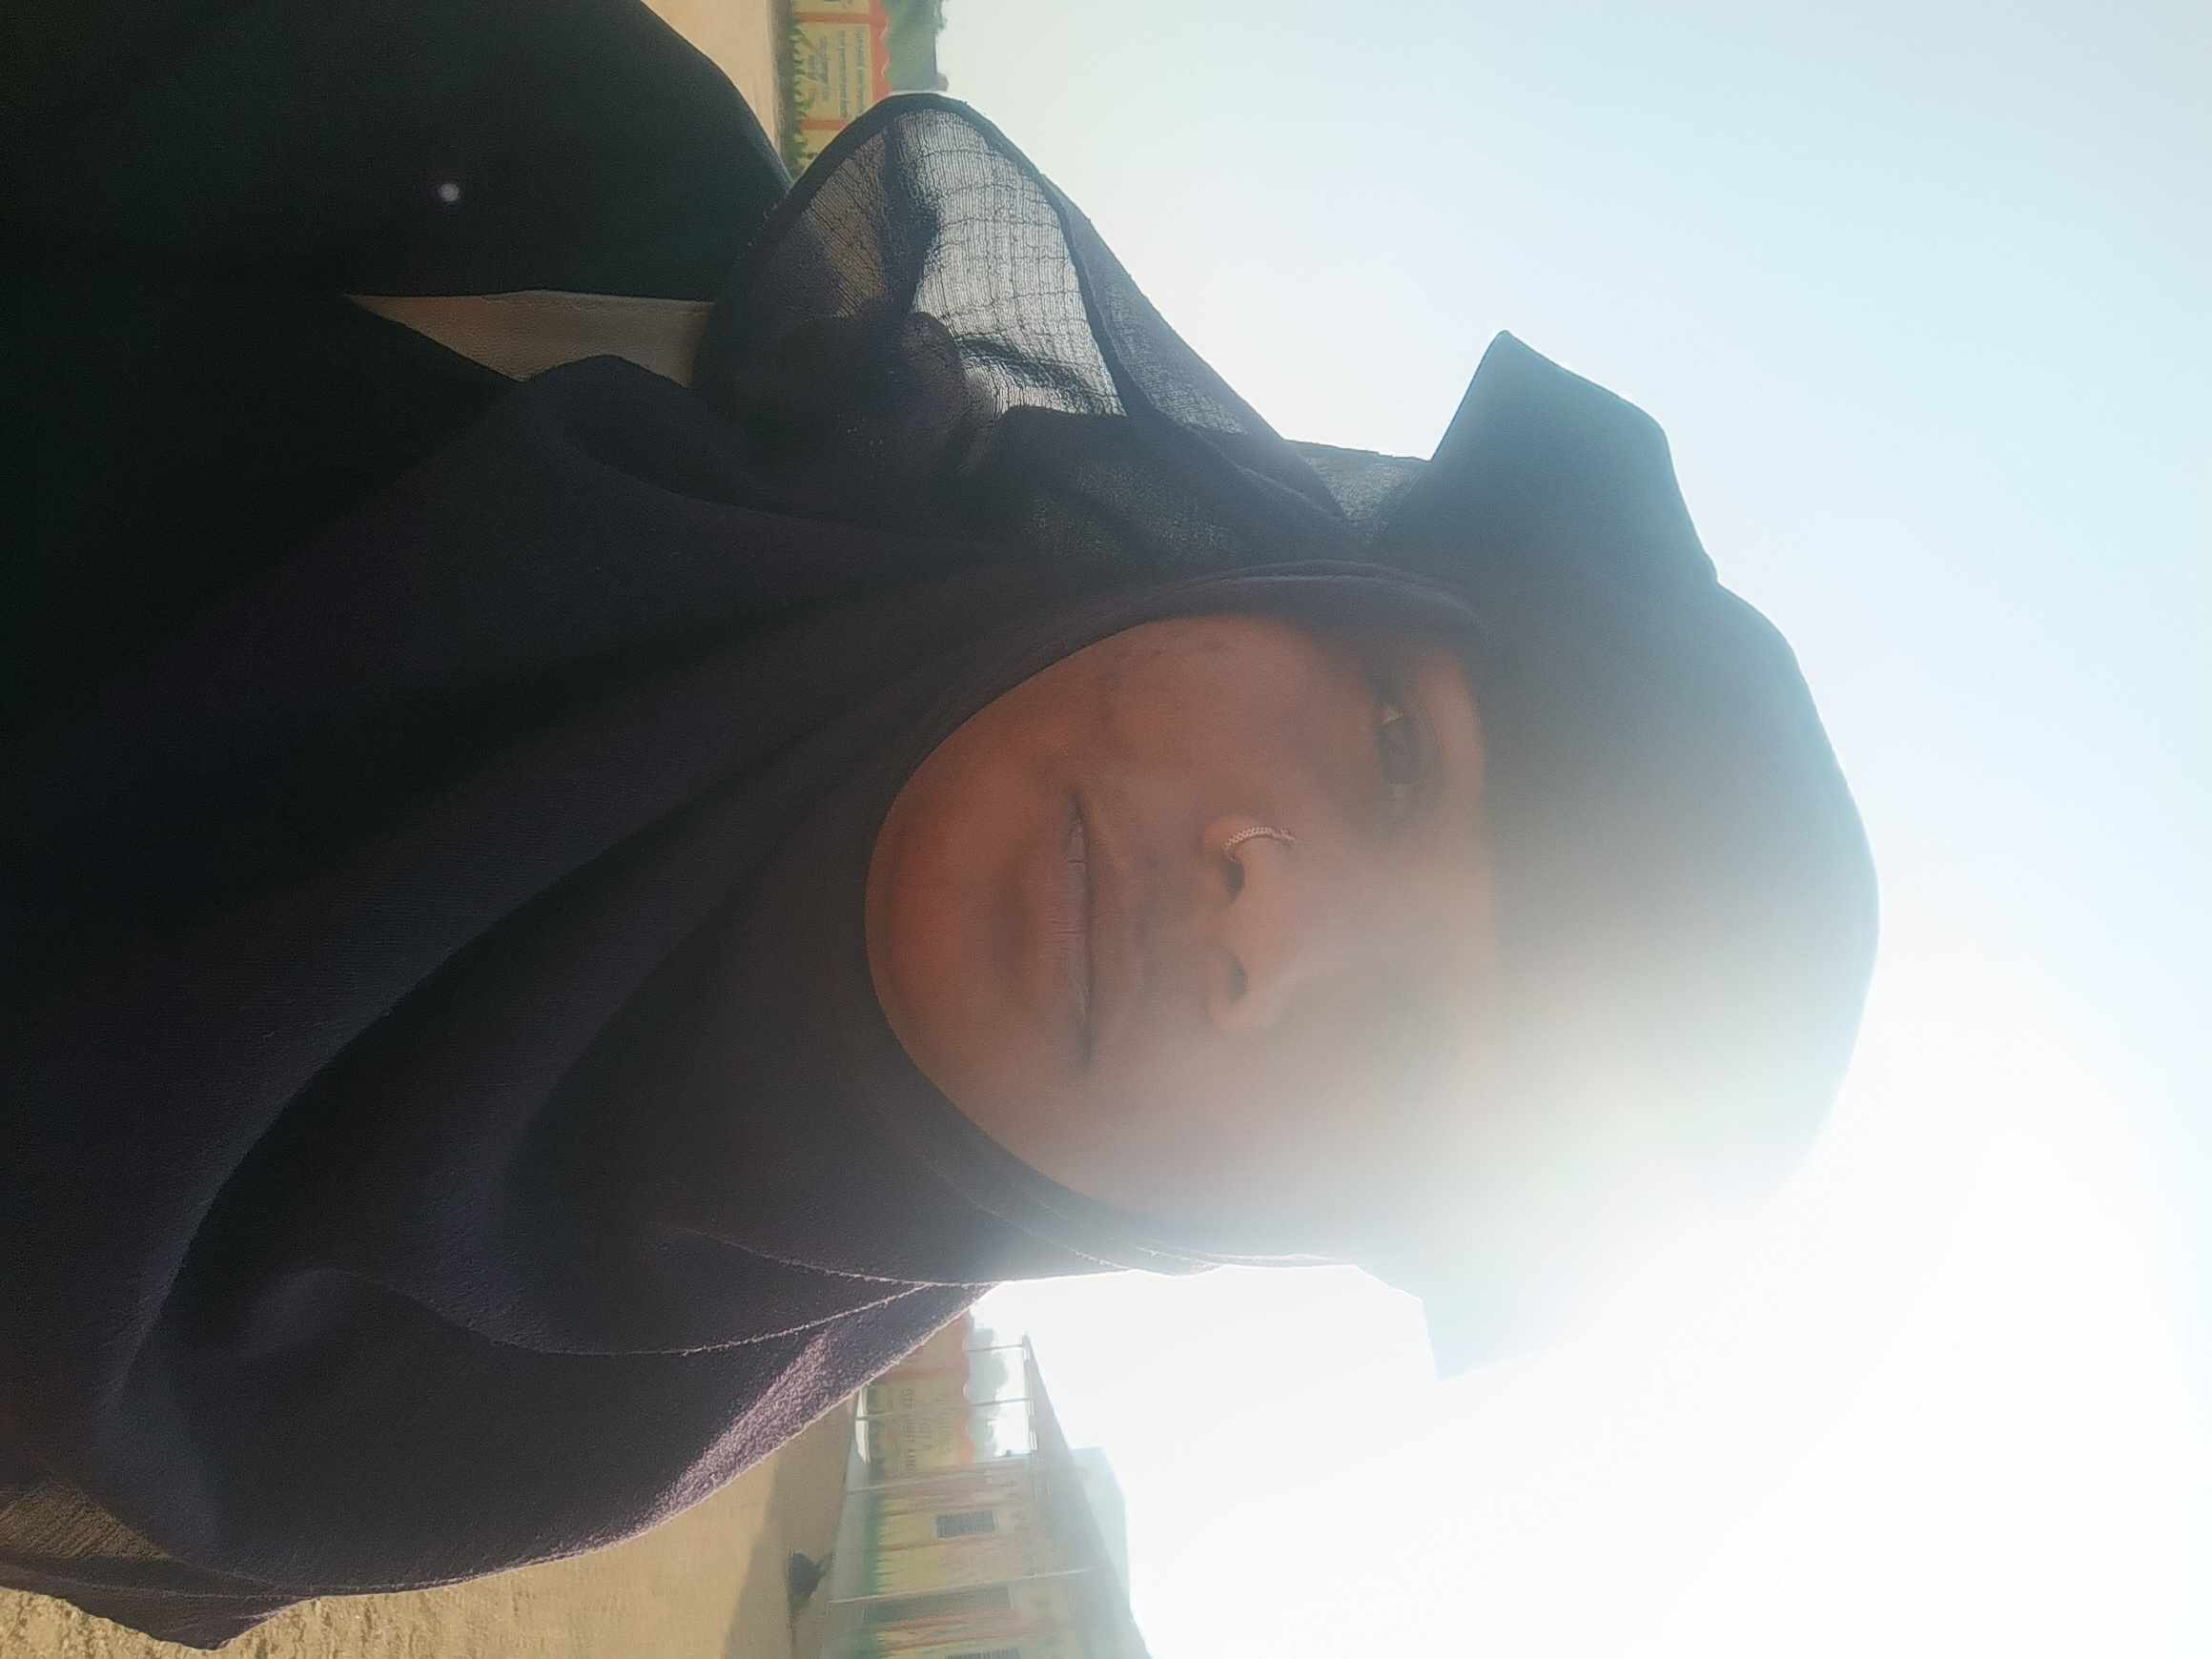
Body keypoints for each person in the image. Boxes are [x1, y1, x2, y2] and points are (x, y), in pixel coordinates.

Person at [1, 0, 1876, 1647]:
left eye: (1394, 1058)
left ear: (1239, 1219)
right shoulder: (594, 230)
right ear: (1299, 590)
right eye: (1393, 747)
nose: (1271, 916)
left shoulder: (512, 1430)